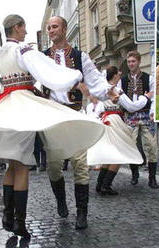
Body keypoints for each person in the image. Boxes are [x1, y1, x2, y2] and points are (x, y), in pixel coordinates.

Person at [0, 15, 104, 240]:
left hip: (6, 109)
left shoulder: (1, 52)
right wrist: (74, 77)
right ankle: (19, 222)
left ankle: (9, 217)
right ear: (17, 28)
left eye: (54, 26)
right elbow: (48, 73)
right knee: (26, 166)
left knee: (13, 164)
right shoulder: (25, 51)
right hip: (26, 108)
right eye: (24, 28)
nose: (26, 33)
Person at [42, 16, 114, 229]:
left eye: (54, 26)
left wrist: (110, 91)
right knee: (53, 166)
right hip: (53, 117)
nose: (51, 30)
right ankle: (61, 200)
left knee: (80, 165)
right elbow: (35, 80)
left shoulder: (80, 56)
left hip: (75, 114)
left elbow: (95, 80)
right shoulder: (43, 57)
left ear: (64, 29)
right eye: (49, 28)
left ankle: (82, 213)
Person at [86, 65, 153, 195]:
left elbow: (99, 107)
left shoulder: (102, 89)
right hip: (115, 120)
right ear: (115, 75)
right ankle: (106, 185)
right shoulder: (116, 90)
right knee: (118, 153)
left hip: (106, 120)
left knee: (110, 154)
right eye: (118, 73)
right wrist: (146, 97)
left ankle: (100, 185)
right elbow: (132, 107)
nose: (120, 74)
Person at [119, 50, 159, 189]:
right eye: (129, 62)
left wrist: (153, 112)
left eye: (133, 61)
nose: (131, 64)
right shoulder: (122, 81)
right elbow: (122, 101)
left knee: (152, 146)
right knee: (131, 145)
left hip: (147, 115)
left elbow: (154, 98)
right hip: (130, 116)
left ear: (139, 62)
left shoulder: (149, 78)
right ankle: (134, 174)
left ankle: (152, 178)